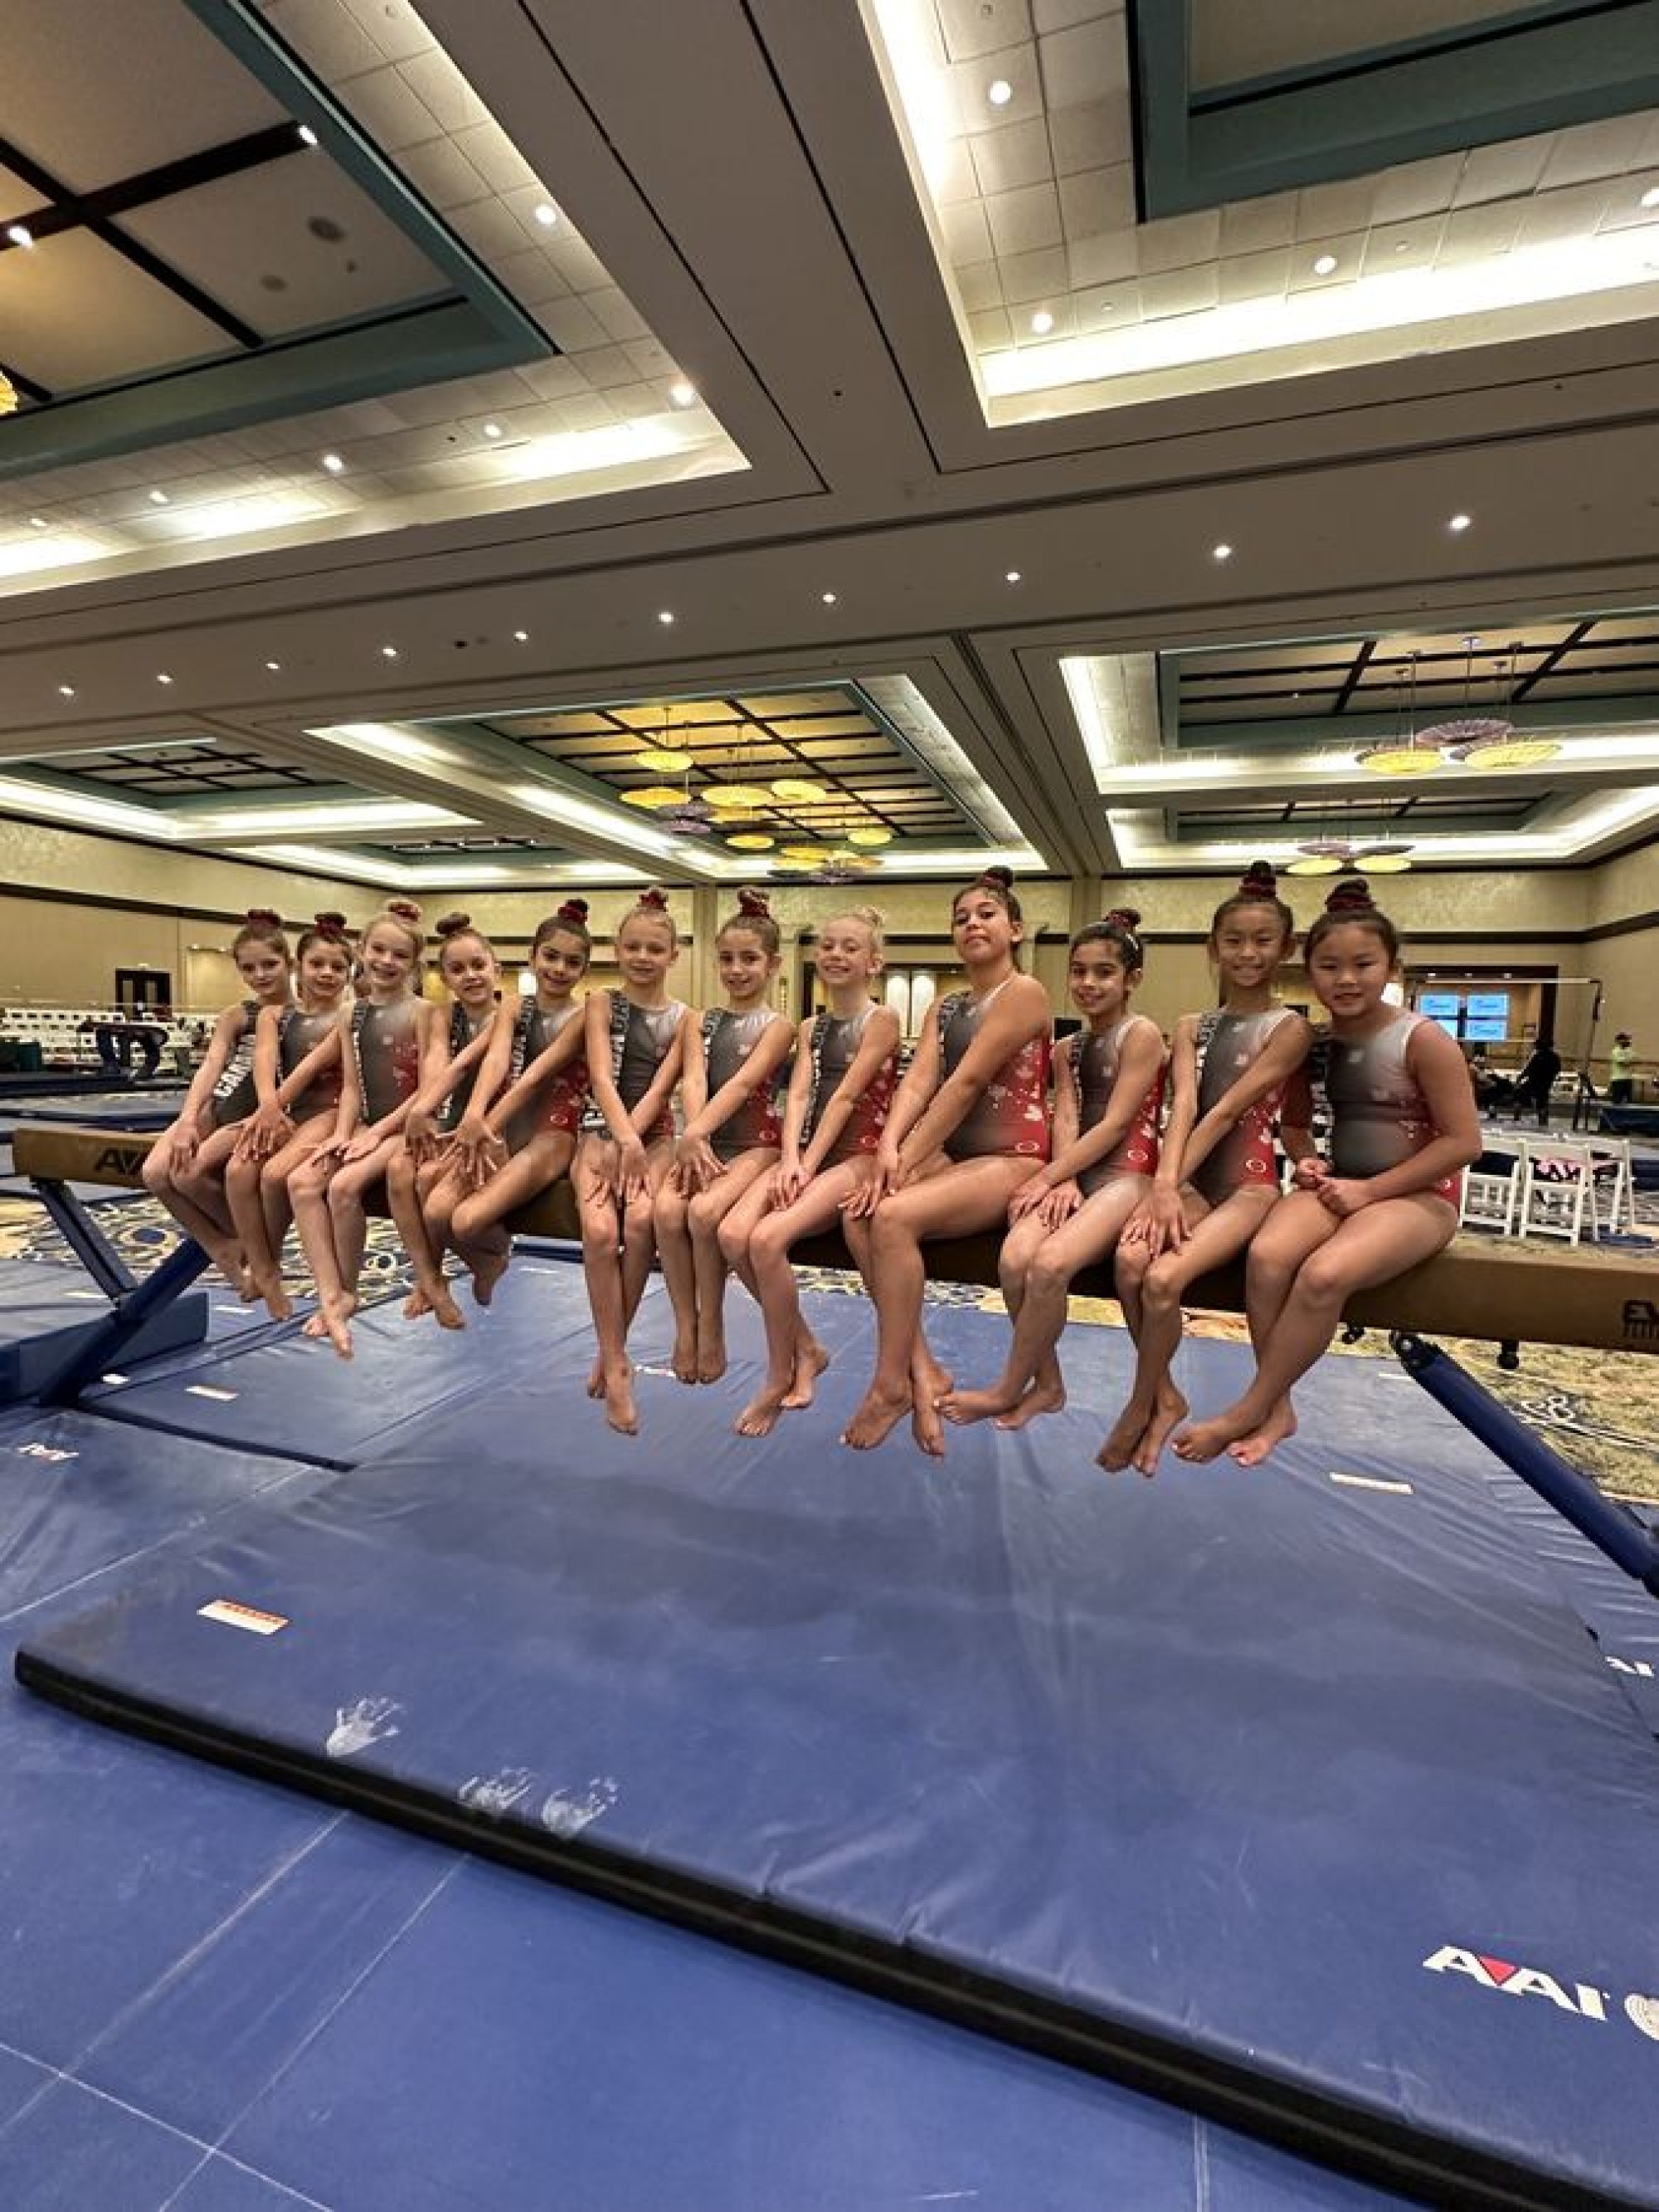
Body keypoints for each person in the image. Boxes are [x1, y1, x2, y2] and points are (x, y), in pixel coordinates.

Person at [1174, 875, 1481, 1469]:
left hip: (1419, 1195)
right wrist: (1308, 1158)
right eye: (1330, 966)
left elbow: (1464, 1143)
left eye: (1363, 965)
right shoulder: (1313, 1043)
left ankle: (1249, 1408)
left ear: (1392, 967)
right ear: (1308, 969)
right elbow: (1294, 1125)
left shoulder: (1423, 1039)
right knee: (1267, 1257)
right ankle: (1279, 1407)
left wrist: (1370, 1190)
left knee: (1322, 1274)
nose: (1346, 980)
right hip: (1342, 1182)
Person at [1099, 862, 1312, 1475]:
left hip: (1248, 1185)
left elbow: (1226, 1111)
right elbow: (1186, 1107)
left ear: (1286, 948)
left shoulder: (1290, 1028)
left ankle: (1139, 1406)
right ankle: (1165, 1396)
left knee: (1164, 1280)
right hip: (1191, 1179)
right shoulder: (1192, 1026)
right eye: (1234, 941)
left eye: (1263, 941)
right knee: (1130, 1261)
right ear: (1213, 948)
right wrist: (1167, 1185)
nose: (1248, 953)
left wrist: (1162, 1188)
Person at [841, 865, 1051, 1457]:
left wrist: (905, 1161)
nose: (973, 925)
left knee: (892, 1216)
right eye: (962, 919)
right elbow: (918, 1083)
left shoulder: (1025, 993)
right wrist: (888, 1147)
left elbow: (967, 1083)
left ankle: (889, 1385)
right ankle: (920, 1368)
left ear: (1015, 929)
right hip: (956, 1157)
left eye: (986, 915)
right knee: (857, 1212)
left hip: (1015, 1156)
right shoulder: (947, 1005)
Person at [941, 907, 1165, 1431]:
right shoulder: (1067, 1048)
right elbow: (1063, 1115)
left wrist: (1045, 1177)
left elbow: (1115, 1125)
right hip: (1075, 1174)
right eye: (1079, 971)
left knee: (1049, 1264)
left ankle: (1006, 1387)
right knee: (1015, 1258)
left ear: (1132, 979)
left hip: (1128, 1176)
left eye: (1104, 972)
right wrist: (1062, 1178)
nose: (1088, 983)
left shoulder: (1142, 1035)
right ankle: (1048, 1383)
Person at [727, 905, 900, 1439]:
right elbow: (798, 1093)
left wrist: (805, 1162)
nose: (835, 955)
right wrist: (791, 1157)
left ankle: (777, 1375)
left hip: (857, 1157)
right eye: (827, 946)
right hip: (809, 1155)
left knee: (766, 1239)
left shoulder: (882, 1020)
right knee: (732, 1234)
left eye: (850, 947)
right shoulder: (810, 1027)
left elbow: (846, 1096)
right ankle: (806, 1347)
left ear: (873, 963)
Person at [289, 900, 438, 1357]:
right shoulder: (350, 1013)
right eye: (379, 951)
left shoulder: (424, 1012)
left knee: (343, 1187)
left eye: (400, 955)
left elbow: (428, 1089)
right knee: (301, 1183)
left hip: (408, 1126)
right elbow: (353, 1086)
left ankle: (349, 1290)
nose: (387, 962)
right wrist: (343, 1132)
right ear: (362, 950)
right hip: (366, 1125)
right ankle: (329, 1292)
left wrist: (376, 1134)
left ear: (414, 963)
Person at [655, 889, 793, 1385]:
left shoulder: (779, 1026)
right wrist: (696, 1138)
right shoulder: (700, 1020)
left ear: (773, 964)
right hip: (706, 1142)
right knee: (665, 1211)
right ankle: (685, 1326)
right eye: (728, 959)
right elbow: (693, 1078)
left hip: (757, 1145)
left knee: (703, 1212)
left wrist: (696, 1132)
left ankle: (712, 1324)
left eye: (749, 959)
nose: (737, 969)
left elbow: (743, 1084)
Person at [439, 899, 595, 1313]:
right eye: (551, 957)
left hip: (553, 1134)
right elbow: (495, 1062)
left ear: (584, 970)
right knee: (436, 1210)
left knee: (465, 1221)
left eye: (572, 962)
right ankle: (482, 1262)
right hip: (507, 1126)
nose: (559, 969)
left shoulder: (583, 1016)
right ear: (532, 956)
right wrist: (475, 1114)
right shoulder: (511, 1006)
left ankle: (498, 1249)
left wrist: (486, 1125)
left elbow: (535, 1076)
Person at [575, 886, 688, 1434]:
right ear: (617, 950)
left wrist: (635, 1143)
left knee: (642, 1222)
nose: (643, 958)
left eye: (655, 949)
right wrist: (620, 1140)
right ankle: (616, 1359)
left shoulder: (685, 1017)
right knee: (600, 1232)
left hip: (654, 1137)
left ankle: (611, 1348)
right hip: (600, 1131)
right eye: (633, 947)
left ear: (674, 956)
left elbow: (663, 1088)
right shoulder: (601, 1002)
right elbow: (601, 1076)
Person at [141, 909, 294, 1289]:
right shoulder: (236, 1015)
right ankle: (222, 1245)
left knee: (189, 1175)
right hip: (219, 1106)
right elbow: (211, 1066)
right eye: (249, 968)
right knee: (155, 1174)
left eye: (270, 964)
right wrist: (188, 1120)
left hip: (259, 1112)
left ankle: (252, 1243)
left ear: (289, 963)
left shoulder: (304, 1014)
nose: (260, 975)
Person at [387, 914, 513, 1330]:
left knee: (431, 1189)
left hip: (495, 1127)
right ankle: (430, 1277)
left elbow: (468, 1067)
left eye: (478, 965)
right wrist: (424, 1110)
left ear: (496, 968)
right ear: (444, 978)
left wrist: (425, 1110)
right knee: (403, 1170)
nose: (470, 976)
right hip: (453, 1125)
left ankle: (482, 1259)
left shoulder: (508, 1014)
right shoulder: (443, 1017)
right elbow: (440, 1065)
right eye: (457, 969)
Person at [226, 914, 353, 1319]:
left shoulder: (349, 1015)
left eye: (337, 966)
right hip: (287, 1110)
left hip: (329, 1111)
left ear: (349, 973)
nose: (327, 973)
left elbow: (313, 1068)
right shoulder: (277, 1016)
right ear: (300, 966)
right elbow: (264, 1061)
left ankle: (271, 1259)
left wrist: (272, 1108)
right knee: (236, 1171)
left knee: (274, 1175)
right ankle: (259, 1263)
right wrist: (269, 1107)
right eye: (317, 964)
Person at [1512, 1035, 1561, 1127]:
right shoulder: (1555, 1057)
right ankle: (1543, 1121)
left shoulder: (1538, 1056)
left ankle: (1517, 1117)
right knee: (1542, 1101)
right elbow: (1557, 1070)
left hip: (1533, 1083)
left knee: (1518, 1095)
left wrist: (1519, 1078)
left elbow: (1529, 1070)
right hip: (1546, 1084)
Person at [1608, 1033, 1637, 1106]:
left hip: (1628, 1078)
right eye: (1625, 1039)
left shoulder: (1629, 1051)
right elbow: (1622, 1063)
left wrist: (1629, 1061)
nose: (1627, 1041)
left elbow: (1637, 1060)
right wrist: (1630, 1062)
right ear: (1619, 1041)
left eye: (1628, 1039)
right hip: (1618, 1079)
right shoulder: (1615, 1051)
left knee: (1628, 1102)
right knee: (1617, 1101)